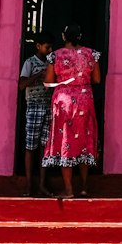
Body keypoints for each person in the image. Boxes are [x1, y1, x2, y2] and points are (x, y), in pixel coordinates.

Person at [41, 22, 101, 198]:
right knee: (84, 140)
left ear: (63, 36)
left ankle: (68, 190)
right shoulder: (92, 54)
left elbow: (50, 81)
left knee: (65, 141)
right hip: (84, 101)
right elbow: (96, 79)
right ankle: (83, 187)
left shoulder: (55, 56)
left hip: (64, 102)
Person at [18, 31, 55, 196]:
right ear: (38, 46)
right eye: (47, 47)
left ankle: (41, 185)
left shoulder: (51, 63)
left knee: (44, 147)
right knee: (30, 146)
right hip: (33, 107)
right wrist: (39, 75)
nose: (49, 50)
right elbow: (21, 85)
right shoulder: (29, 63)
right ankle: (28, 186)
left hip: (47, 107)